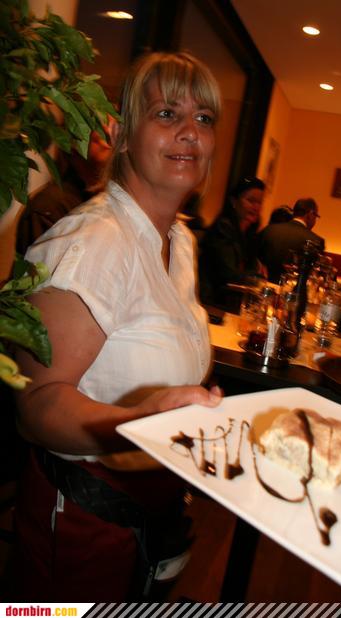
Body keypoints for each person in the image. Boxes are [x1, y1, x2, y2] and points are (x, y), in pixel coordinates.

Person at [13, 51, 223, 602]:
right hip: (82, 522)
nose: (189, 132)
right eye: (167, 113)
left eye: (203, 118)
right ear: (121, 134)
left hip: (148, 513)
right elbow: (36, 404)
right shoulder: (93, 241)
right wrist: (132, 423)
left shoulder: (180, 242)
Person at [16, 124, 113, 254]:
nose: (108, 131)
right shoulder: (49, 207)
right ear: (71, 142)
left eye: (114, 125)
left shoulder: (117, 201)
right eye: (97, 124)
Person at [198, 176, 265, 312]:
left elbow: (250, 267)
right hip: (211, 302)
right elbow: (229, 274)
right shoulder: (222, 228)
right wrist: (258, 278)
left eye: (259, 202)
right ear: (234, 201)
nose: (256, 207)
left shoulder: (248, 234)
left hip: (231, 300)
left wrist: (256, 271)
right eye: (251, 201)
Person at [258, 197, 325, 283]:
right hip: (293, 289)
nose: (315, 221)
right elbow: (315, 276)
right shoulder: (316, 241)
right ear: (310, 214)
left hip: (262, 285)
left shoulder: (269, 229)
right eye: (316, 217)